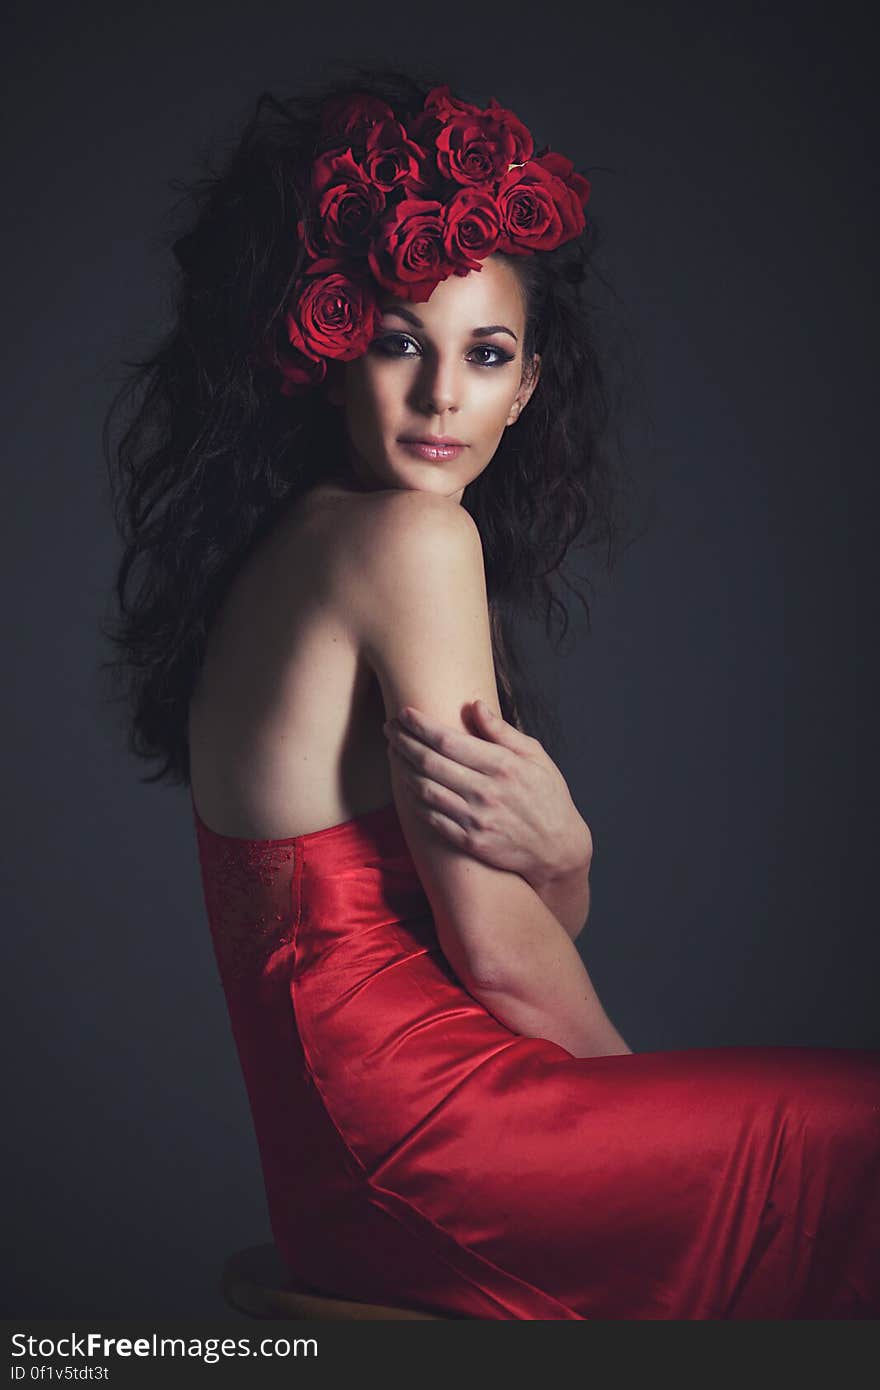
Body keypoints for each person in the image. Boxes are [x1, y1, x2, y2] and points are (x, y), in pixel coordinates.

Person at [102, 65, 880, 1319]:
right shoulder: (410, 543)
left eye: (485, 354)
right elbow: (503, 965)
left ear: (525, 387)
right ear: (329, 348)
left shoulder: (296, 545)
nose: (441, 397)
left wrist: (563, 862)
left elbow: (479, 922)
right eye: (401, 341)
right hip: (433, 1151)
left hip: (350, 1171)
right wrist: (659, 1133)